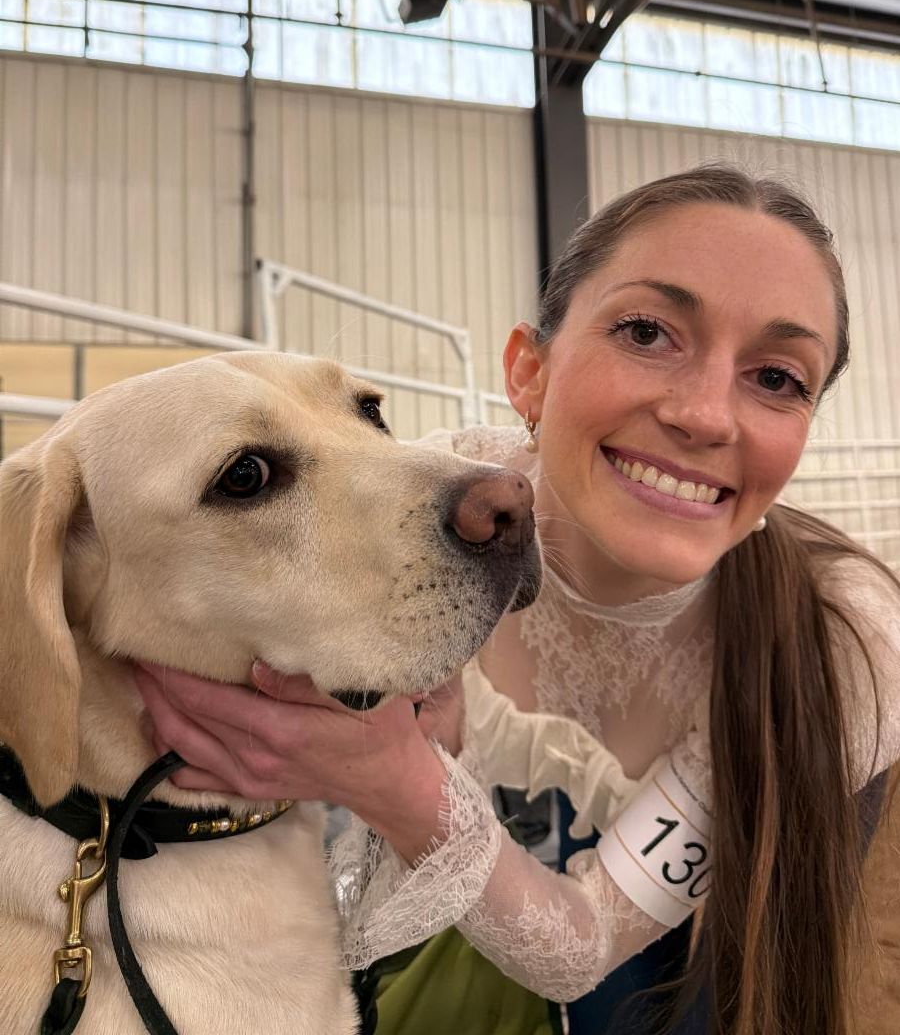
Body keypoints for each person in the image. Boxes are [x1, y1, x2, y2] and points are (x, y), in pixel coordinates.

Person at [137, 164, 900, 1035]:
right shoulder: (425, 515)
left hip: (655, 952)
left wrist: (400, 782)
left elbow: (581, 946)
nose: (705, 416)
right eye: (648, 331)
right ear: (529, 374)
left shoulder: (841, 643)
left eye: (777, 377)